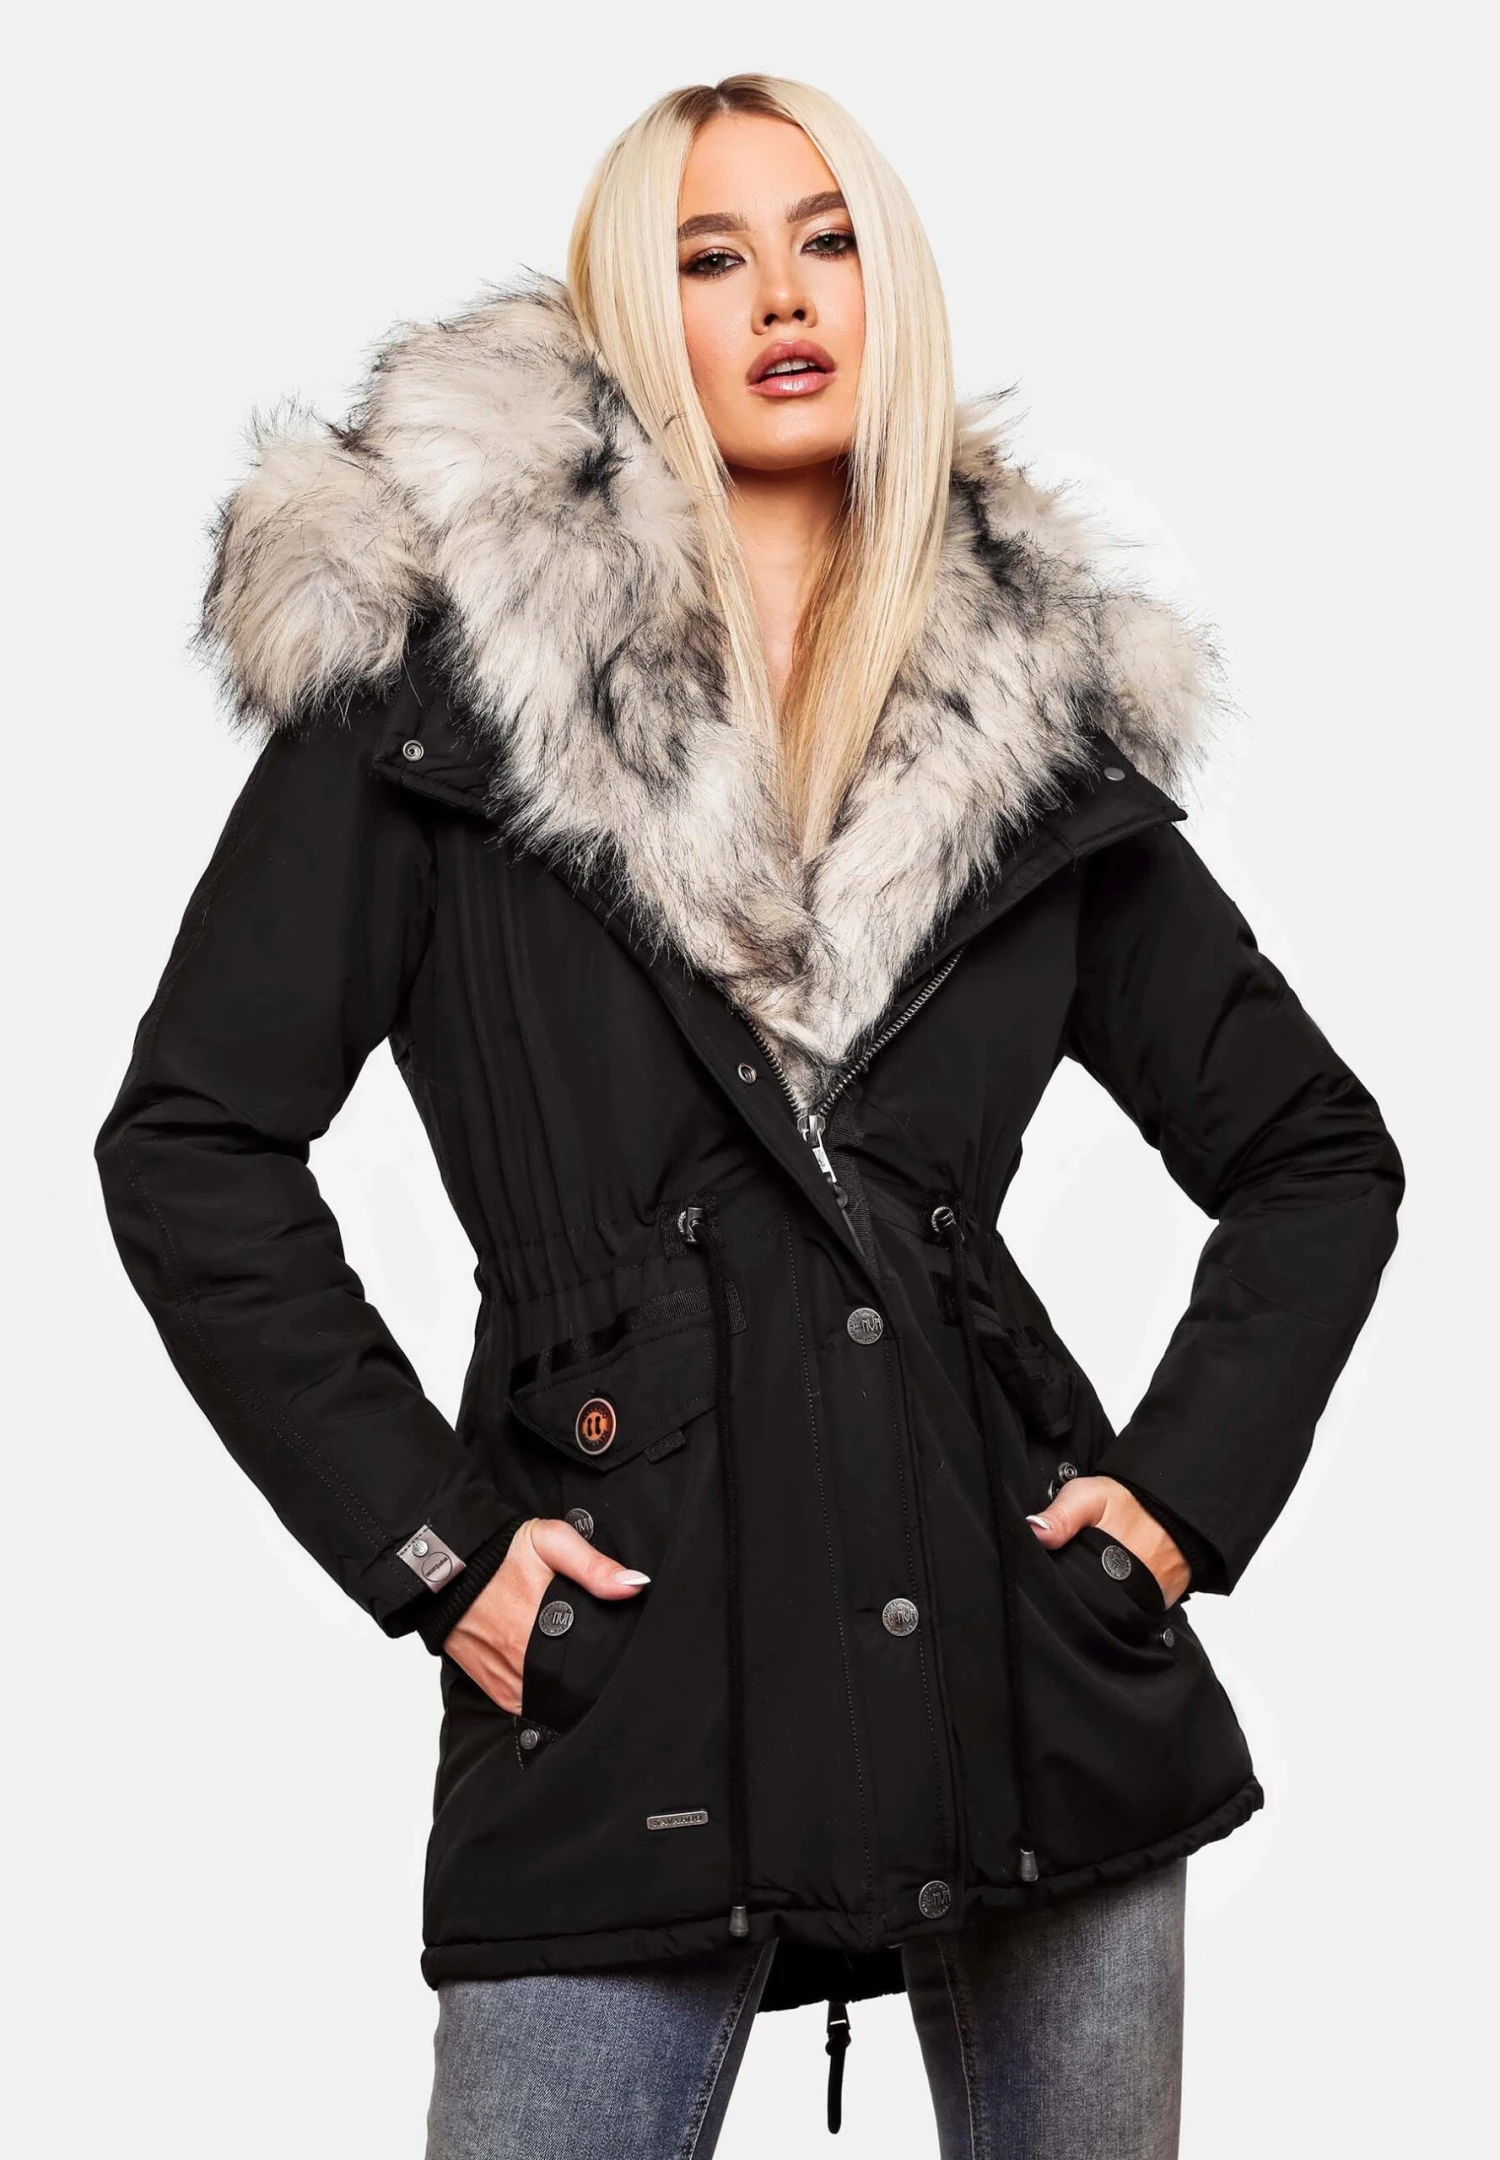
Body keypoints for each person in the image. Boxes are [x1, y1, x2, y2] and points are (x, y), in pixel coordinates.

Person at [94, 72, 1404, 2160]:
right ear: (634, 311)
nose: (785, 297)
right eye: (711, 257)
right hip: (622, 1696)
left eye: (828, 240)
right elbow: (190, 1142)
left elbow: (1315, 1155)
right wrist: (440, 1555)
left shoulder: (1019, 723)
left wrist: (1172, 1508)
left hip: (1029, 1689)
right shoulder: (442, 693)